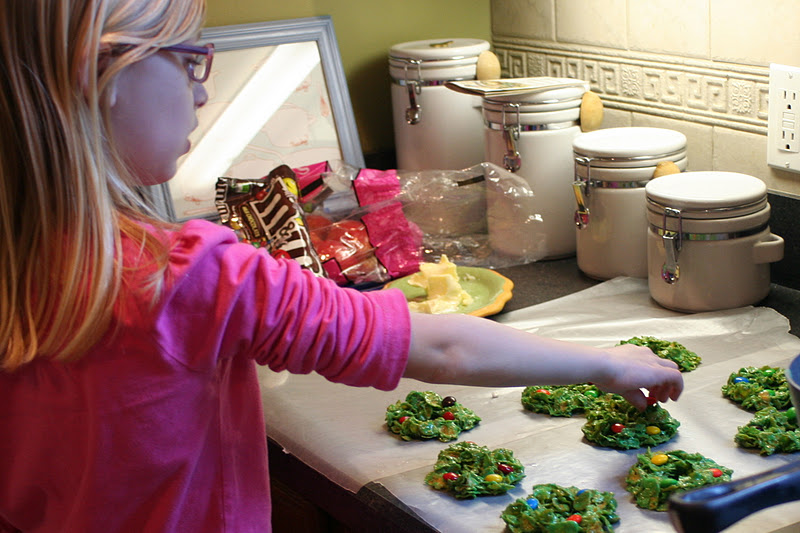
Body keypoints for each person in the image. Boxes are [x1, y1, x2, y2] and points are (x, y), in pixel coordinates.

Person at [0, 1, 683, 532]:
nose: (202, 93)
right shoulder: (187, 276)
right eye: (187, 60)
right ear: (102, 73)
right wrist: (607, 363)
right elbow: (440, 347)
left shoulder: (22, 261)